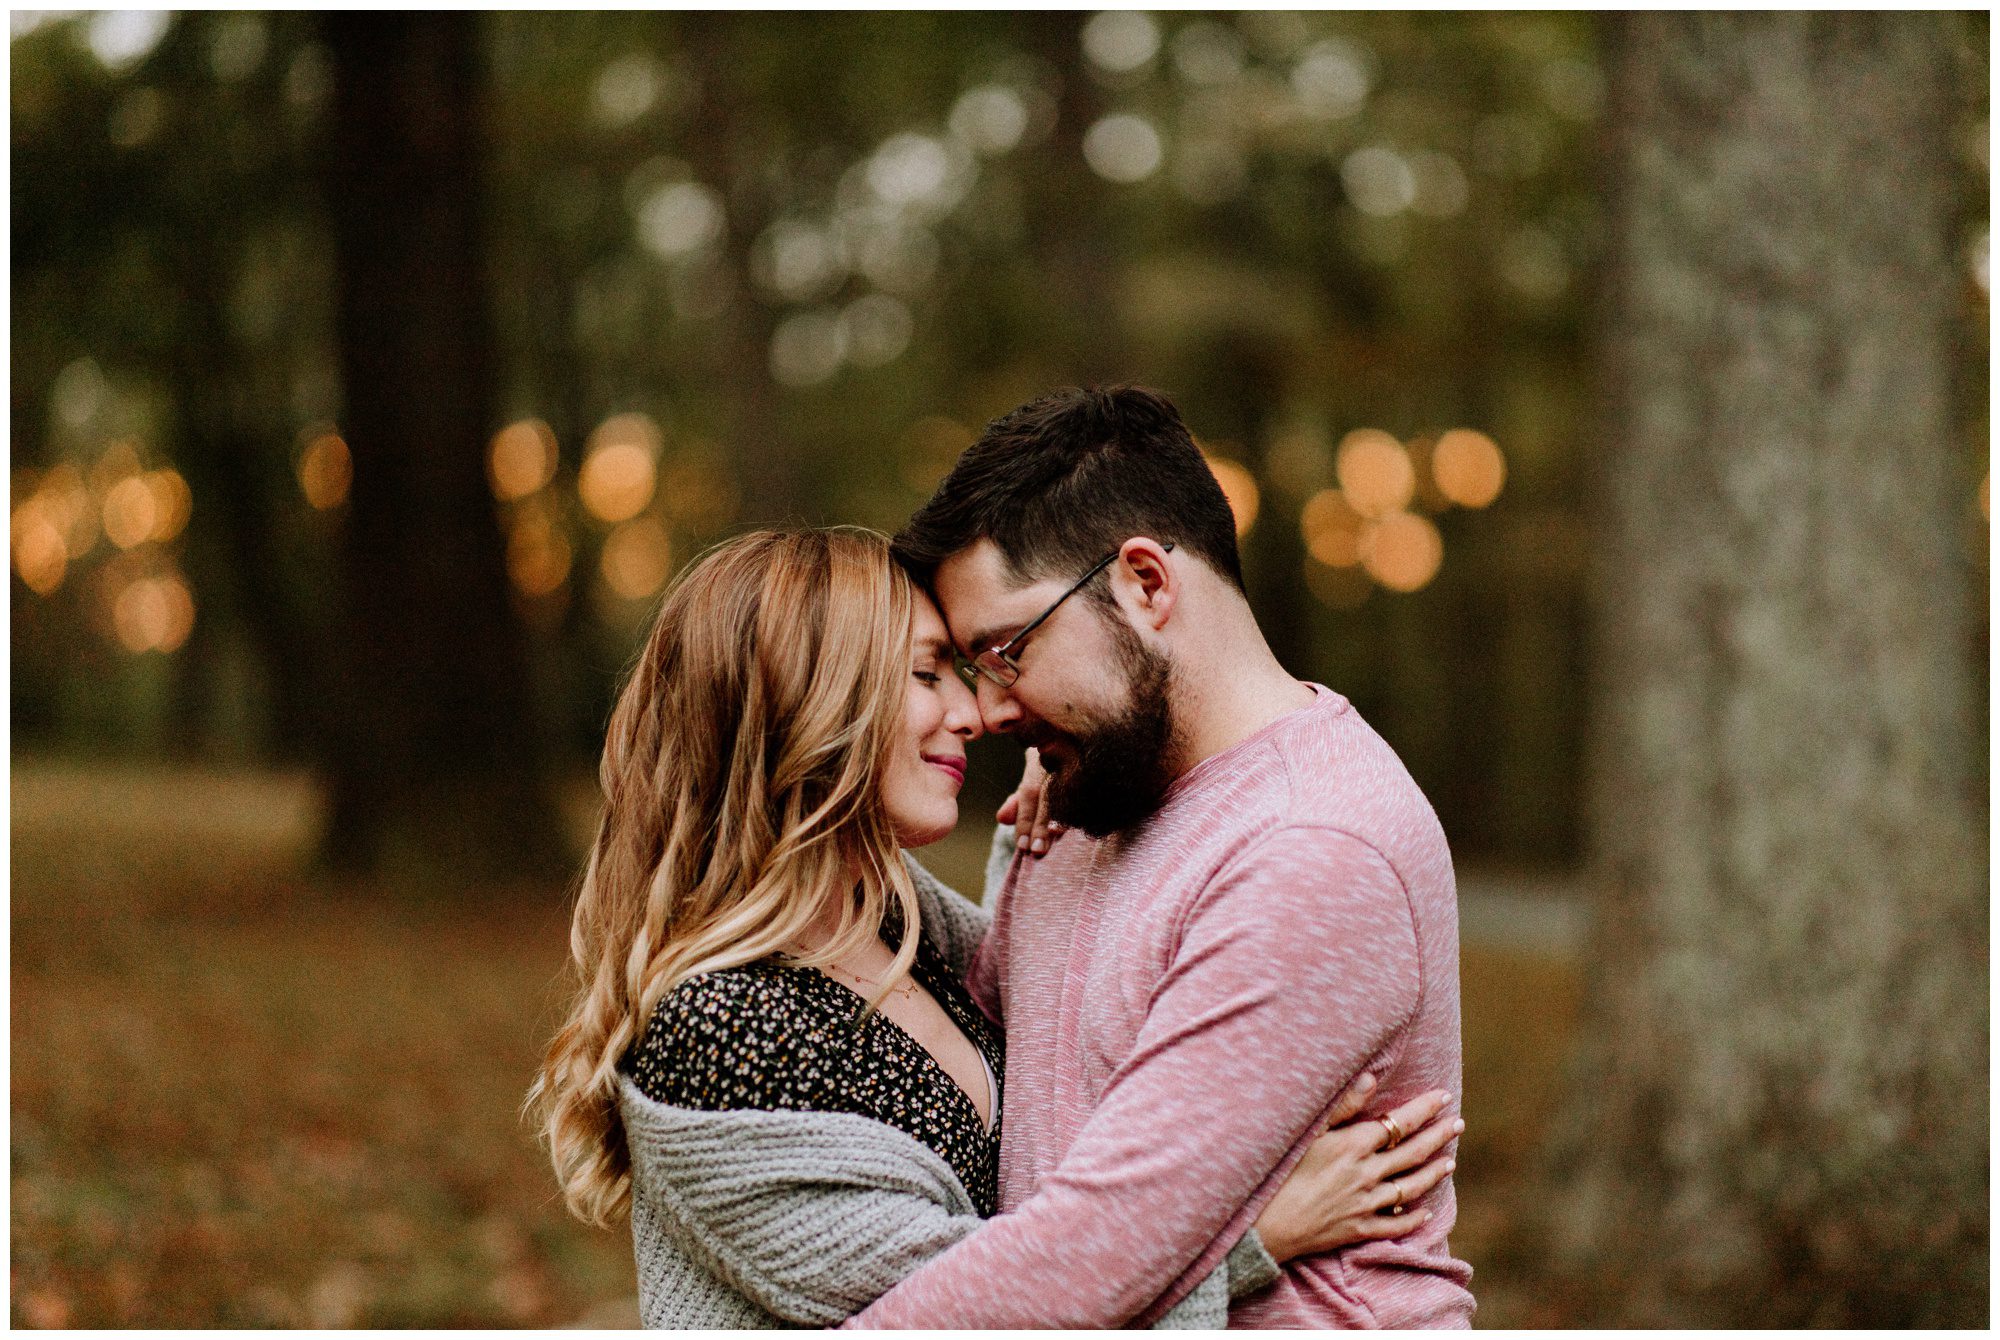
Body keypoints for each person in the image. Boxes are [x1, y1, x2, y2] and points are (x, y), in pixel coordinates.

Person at [529, 527, 1461, 1327]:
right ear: (801, 705)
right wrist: (1255, 1237)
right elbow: (971, 1308)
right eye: (926, 674)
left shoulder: (892, 921)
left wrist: (1071, 772)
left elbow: (1068, 1022)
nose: (973, 713)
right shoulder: (726, 1027)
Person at [838, 385, 1476, 1328]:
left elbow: (1090, 1254)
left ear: (1144, 583)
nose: (989, 708)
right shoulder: (1094, 792)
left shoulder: (1313, 849)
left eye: (1008, 650)